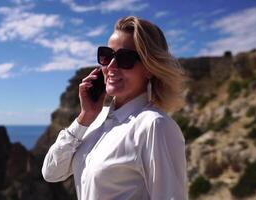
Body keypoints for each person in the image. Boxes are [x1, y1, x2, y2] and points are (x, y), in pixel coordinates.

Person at [42, 16, 187, 200]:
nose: (111, 66)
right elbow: (52, 172)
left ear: (149, 68)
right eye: (107, 56)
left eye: (124, 59)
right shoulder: (95, 120)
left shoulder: (155, 126)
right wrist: (85, 117)